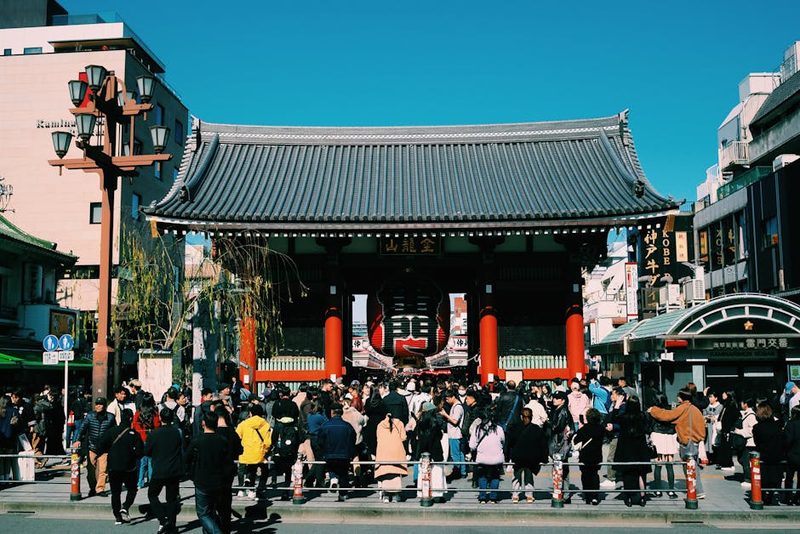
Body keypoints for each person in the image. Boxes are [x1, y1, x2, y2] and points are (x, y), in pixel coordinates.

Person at [647, 389, 707, 498]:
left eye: (678, 396)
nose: (677, 398)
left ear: (682, 397)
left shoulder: (683, 408)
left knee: (690, 467)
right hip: (694, 440)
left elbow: (667, 416)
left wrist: (653, 410)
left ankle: (697, 491)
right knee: (691, 466)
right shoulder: (694, 409)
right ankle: (694, 490)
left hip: (688, 441)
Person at [187, 412, 230, 534]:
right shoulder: (222, 440)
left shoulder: (197, 440)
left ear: (203, 423)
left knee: (203, 514)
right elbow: (227, 461)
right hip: (219, 480)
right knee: (212, 511)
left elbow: (186, 459)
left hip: (202, 480)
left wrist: (191, 474)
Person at [144, 408, 184, 534]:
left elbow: (147, 452)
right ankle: (172, 524)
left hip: (159, 469)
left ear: (160, 418)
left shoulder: (154, 434)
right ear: (172, 418)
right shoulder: (178, 432)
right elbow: (183, 449)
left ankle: (163, 519)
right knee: (171, 499)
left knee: (152, 494)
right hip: (174, 469)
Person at [98, 409, 142, 525]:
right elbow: (140, 452)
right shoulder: (134, 434)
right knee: (132, 489)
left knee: (115, 492)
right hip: (129, 467)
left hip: (113, 466)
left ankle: (117, 516)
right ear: (131, 419)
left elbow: (101, 446)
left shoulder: (111, 431)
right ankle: (125, 506)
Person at [72, 397, 115, 497]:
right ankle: (93, 487)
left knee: (103, 470)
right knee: (90, 470)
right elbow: (82, 428)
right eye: (96, 404)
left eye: (100, 404)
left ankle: (100, 489)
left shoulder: (110, 417)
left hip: (105, 448)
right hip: (92, 447)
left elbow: (113, 432)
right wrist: (77, 440)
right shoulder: (90, 416)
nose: (98, 406)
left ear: (104, 406)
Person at [615, 397, 651, 507]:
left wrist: (617, 406)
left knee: (627, 473)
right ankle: (642, 497)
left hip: (626, 447)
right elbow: (647, 428)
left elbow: (613, 419)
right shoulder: (643, 416)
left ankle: (629, 497)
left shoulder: (624, 417)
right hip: (640, 447)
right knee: (641, 473)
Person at [507, 407, 548, 504]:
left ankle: (515, 495)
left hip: (517, 457)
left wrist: (508, 456)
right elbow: (543, 445)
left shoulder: (514, 428)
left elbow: (509, 443)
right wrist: (544, 458)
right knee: (529, 477)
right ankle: (529, 495)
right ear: (532, 417)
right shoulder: (536, 429)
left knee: (516, 477)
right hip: (531, 458)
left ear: (521, 417)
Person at [317, 404, 356, 502]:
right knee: (343, 473)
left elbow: (320, 441)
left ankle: (333, 478)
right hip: (344, 454)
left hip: (329, 454)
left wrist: (324, 450)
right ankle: (343, 494)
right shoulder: (348, 426)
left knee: (331, 468)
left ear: (332, 412)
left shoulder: (325, 426)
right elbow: (353, 440)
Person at [214, 404, 242, 534]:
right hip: (229, 469)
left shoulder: (213, 432)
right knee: (226, 497)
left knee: (214, 498)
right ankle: (226, 525)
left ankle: (216, 523)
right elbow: (240, 450)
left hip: (214, 470)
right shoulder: (232, 432)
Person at [469, 407, 505, 504]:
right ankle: (493, 497)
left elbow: (472, 445)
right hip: (496, 458)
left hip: (482, 458)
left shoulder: (477, 429)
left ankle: (482, 497)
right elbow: (503, 441)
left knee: (482, 476)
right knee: (495, 476)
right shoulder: (499, 429)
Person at [235, 403, 271, 500]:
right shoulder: (265, 425)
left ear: (251, 413)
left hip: (245, 452)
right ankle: (257, 489)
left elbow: (236, 436)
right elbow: (268, 442)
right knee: (263, 470)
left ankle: (241, 489)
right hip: (259, 453)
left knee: (242, 469)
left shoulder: (243, 424)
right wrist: (265, 450)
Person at [414, 401, 447, 501]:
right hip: (435, 449)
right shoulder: (435, 422)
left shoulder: (420, 422)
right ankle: (437, 494)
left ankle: (422, 492)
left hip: (423, 450)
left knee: (423, 472)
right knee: (437, 472)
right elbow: (440, 436)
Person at [753, 401, 784, 506]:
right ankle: (770, 495)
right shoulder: (777, 426)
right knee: (774, 478)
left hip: (763, 455)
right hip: (777, 456)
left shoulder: (757, 428)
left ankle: (762, 495)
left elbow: (757, 442)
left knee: (763, 478)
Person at [573, 408, 605, 505]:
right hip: (597, 455)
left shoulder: (584, 429)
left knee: (585, 475)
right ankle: (595, 496)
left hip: (585, 455)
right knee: (594, 475)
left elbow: (576, 440)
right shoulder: (601, 429)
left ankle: (588, 496)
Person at [649, 394, 678, 498]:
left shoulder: (653, 411)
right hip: (669, 436)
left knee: (658, 464)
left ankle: (658, 490)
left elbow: (650, 425)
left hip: (657, 436)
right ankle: (671, 491)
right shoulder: (671, 410)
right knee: (669, 464)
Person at [374, 412, 407, 503]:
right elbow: (403, 437)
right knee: (396, 472)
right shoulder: (400, 423)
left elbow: (378, 438)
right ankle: (396, 495)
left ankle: (386, 496)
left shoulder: (380, 425)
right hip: (397, 450)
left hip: (383, 450)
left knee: (385, 473)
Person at [133, 392, 161, 488]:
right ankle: (151, 480)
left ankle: (139, 482)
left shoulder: (138, 411)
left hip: (140, 439)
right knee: (151, 461)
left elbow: (135, 424)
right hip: (151, 438)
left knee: (141, 462)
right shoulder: (154, 411)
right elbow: (157, 425)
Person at [731, 397, 757, 488]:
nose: (741, 404)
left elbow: (752, 430)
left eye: (742, 402)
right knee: (742, 459)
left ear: (746, 404)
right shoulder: (745, 414)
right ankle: (748, 476)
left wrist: (739, 432)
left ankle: (748, 479)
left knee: (745, 460)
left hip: (749, 442)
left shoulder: (751, 416)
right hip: (745, 442)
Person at [441, 390, 466, 481]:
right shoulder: (456, 406)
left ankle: (457, 471)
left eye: (448, 399)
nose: (447, 401)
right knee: (460, 453)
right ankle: (462, 471)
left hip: (455, 434)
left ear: (453, 397)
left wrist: (445, 415)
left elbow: (455, 421)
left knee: (455, 454)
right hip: (455, 434)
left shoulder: (457, 407)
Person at [783, 405, 800, 505]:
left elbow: (787, 440)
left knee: (789, 477)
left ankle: (788, 497)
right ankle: (798, 497)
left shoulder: (791, 424)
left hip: (792, 454)